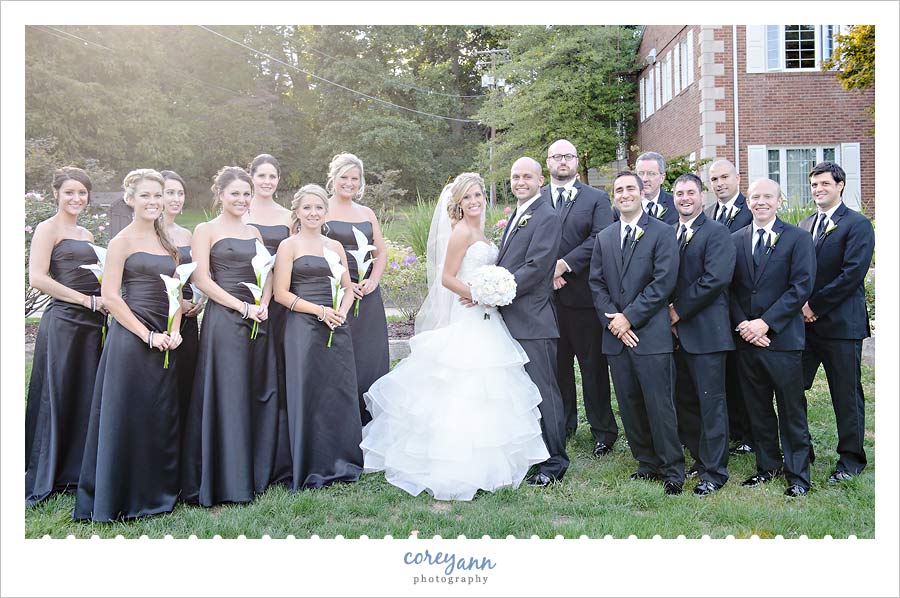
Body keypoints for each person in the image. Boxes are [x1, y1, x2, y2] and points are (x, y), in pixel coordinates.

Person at [361, 173, 549, 500]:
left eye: (478, 195)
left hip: (489, 316)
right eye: (468, 198)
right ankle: (457, 461)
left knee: (492, 388)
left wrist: (494, 293)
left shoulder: (483, 231)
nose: (475, 201)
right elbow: (447, 278)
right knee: (465, 384)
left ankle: (494, 460)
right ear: (459, 203)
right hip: (471, 313)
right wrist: (478, 295)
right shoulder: (462, 232)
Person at [73, 169, 183, 521]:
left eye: (158, 195)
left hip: (166, 338)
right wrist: (147, 334)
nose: (154, 202)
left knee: (158, 412)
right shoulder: (121, 241)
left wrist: (175, 330)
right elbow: (110, 297)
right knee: (128, 413)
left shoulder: (167, 242)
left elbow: (176, 291)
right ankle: (120, 495)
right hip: (132, 337)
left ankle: (156, 491)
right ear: (130, 199)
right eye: (146, 196)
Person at [180, 166, 272, 506]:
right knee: (227, 390)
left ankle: (252, 469)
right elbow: (201, 280)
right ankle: (225, 477)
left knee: (253, 389)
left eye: (246, 194)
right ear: (220, 194)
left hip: (258, 318)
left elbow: (268, 274)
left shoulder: (255, 234)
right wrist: (241, 307)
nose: (242, 199)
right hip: (224, 318)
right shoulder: (205, 230)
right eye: (235, 193)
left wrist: (262, 303)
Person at [589, 170, 683, 495]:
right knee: (629, 403)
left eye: (631, 188)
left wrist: (628, 318)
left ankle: (672, 470)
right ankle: (646, 464)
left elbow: (663, 283)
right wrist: (614, 323)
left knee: (659, 405)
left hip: (650, 335)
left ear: (642, 192)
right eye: (619, 189)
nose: (625, 194)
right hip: (616, 338)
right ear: (614, 196)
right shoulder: (604, 237)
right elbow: (596, 284)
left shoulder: (662, 232)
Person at [25, 167, 108, 506]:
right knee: (57, 393)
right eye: (70, 192)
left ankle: (75, 470)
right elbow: (37, 278)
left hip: (91, 325)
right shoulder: (47, 228)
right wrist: (86, 300)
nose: (76, 198)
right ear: (56, 194)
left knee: (83, 391)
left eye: (82, 193)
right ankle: (49, 469)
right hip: (63, 321)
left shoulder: (87, 234)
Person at [273, 184, 363, 490]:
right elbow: (281, 294)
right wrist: (319, 311)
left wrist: (340, 311)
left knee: (336, 392)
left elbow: (349, 288)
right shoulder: (289, 246)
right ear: (297, 211)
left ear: (326, 212)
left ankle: (340, 459)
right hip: (302, 327)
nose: (313, 213)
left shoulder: (335, 247)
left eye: (318, 208)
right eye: (307, 208)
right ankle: (309, 463)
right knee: (306, 392)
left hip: (336, 326)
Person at [730, 178, 815, 497]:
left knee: (792, 408)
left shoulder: (797, 238)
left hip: (782, 340)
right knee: (758, 408)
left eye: (767, 196)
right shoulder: (736, 239)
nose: (760, 201)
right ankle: (767, 466)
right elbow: (730, 289)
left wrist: (765, 324)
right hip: (746, 341)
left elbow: (801, 287)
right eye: (755, 197)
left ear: (780, 201)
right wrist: (743, 325)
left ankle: (798, 475)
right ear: (748, 202)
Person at [799, 161, 874, 483]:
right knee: (791, 388)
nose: (818, 190)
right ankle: (801, 450)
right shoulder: (804, 224)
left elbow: (852, 275)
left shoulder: (857, 225)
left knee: (845, 394)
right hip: (803, 328)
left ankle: (851, 459)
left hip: (841, 327)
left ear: (840, 185)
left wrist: (814, 306)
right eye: (814, 185)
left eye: (825, 184)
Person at [494, 157, 567, 487]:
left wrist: (497, 290)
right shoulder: (520, 212)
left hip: (533, 320)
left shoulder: (547, 216)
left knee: (544, 391)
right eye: (515, 177)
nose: (520, 181)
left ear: (541, 180)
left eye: (527, 176)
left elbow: (537, 267)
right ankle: (530, 454)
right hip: (511, 319)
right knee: (521, 392)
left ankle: (555, 462)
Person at [541, 139, 617, 456]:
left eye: (568, 156)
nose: (563, 161)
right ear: (548, 162)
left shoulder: (597, 198)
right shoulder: (536, 197)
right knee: (557, 369)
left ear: (575, 162)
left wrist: (563, 264)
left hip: (585, 300)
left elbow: (600, 237)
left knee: (593, 369)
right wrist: (548, 271)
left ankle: (603, 432)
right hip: (547, 301)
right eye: (557, 156)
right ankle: (565, 425)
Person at [668, 173, 735, 496]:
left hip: (707, 334)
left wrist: (678, 310)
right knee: (686, 402)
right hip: (674, 336)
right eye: (679, 193)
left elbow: (715, 280)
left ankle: (715, 471)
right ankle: (699, 457)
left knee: (711, 404)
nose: (685, 198)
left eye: (691, 193)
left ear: (701, 196)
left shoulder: (717, 233)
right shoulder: (670, 233)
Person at [323, 153, 389, 425]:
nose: (349, 183)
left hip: (367, 294)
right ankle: (339, 418)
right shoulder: (320, 209)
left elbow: (381, 252)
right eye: (344, 178)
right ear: (333, 179)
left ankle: (368, 420)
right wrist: (345, 284)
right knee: (338, 356)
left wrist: (373, 280)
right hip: (335, 294)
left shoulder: (367, 213)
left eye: (354, 179)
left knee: (369, 355)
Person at [244, 153, 293, 489]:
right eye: (261, 175)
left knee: (280, 368)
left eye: (272, 176)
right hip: (247, 301)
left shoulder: (288, 216)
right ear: (251, 177)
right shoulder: (238, 210)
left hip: (282, 302)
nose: (266, 181)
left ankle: (280, 446)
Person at [704, 159, 754, 456]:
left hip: (744, 305)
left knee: (744, 375)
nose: (719, 183)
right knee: (724, 376)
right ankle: (734, 430)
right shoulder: (708, 214)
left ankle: (749, 433)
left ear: (737, 177)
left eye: (724, 177)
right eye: (714, 179)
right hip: (713, 310)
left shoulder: (754, 210)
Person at [161, 170, 202, 434]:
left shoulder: (187, 235)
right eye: (169, 192)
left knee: (184, 380)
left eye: (180, 193)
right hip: (156, 316)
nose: (176, 199)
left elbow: (196, 275)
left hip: (187, 319)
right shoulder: (143, 232)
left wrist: (199, 300)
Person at [636, 151, 678, 225]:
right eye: (641, 173)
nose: (644, 179)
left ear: (662, 178)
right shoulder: (627, 205)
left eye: (651, 173)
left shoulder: (675, 205)